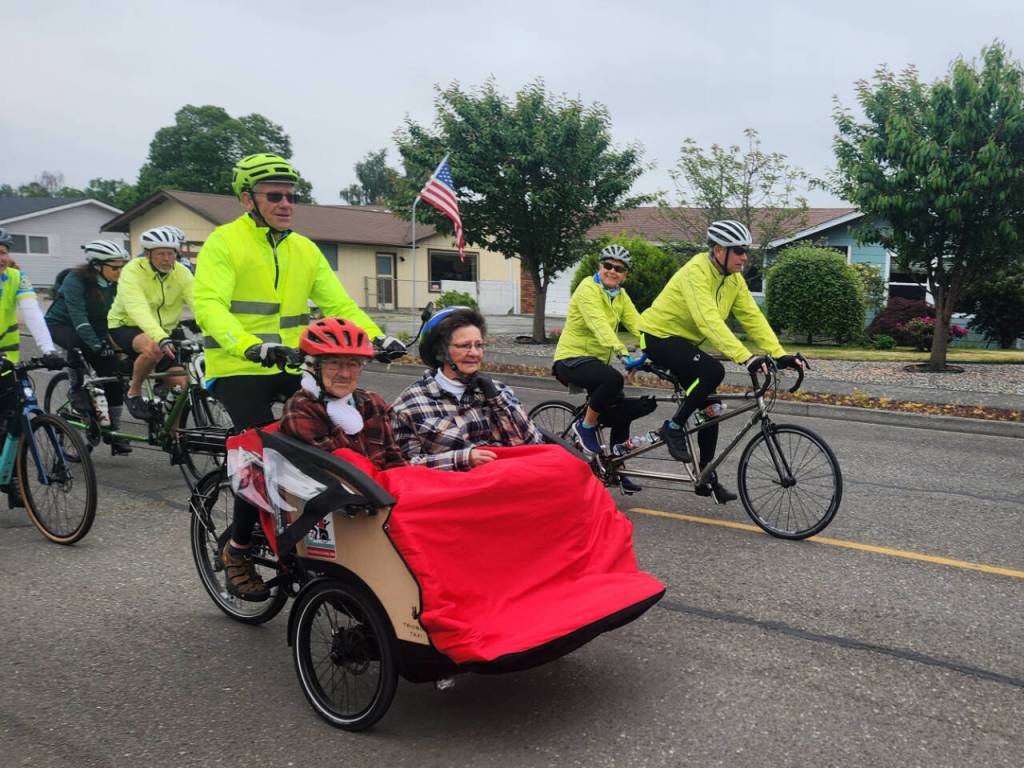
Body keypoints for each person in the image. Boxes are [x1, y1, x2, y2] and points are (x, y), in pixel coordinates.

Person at [194, 152, 405, 600]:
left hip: (291, 361)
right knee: (260, 449)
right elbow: (209, 304)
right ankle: (238, 548)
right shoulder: (223, 243)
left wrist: (377, 337)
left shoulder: (304, 248)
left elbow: (340, 305)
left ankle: (324, 535)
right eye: (275, 196)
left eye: (291, 196)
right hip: (239, 365)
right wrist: (247, 344)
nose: (286, 203)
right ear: (248, 198)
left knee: (330, 438)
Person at [639, 219, 805, 503]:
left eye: (746, 251)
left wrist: (778, 353)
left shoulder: (733, 281)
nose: (744, 257)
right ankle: (673, 428)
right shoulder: (696, 272)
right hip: (658, 337)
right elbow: (708, 321)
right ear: (718, 251)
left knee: (711, 407)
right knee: (713, 370)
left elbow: (752, 318)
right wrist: (745, 357)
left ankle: (705, 475)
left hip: (684, 343)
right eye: (738, 250)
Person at [553, 244, 654, 492]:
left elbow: (638, 324)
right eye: (607, 265)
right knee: (612, 380)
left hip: (595, 363)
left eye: (618, 269)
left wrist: (654, 348)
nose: (612, 271)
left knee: (622, 412)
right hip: (570, 360)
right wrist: (623, 354)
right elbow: (600, 327)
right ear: (600, 266)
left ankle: (616, 471)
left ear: (625, 274)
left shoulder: (620, 296)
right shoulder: (588, 289)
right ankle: (585, 426)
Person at [391, 306, 543, 470]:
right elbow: (403, 466)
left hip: (507, 481)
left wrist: (497, 399)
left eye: (478, 345)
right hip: (454, 490)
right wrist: (463, 459)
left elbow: (534, 443)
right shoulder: (409, 405)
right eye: (464, 346)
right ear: (440, 352)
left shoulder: (498, 391)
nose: (475, 353)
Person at [279, 317, 406, 470]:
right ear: (311, 367)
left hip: (382, 490)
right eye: (334, 364)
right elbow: (331, 471)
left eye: (353, 365)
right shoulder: (301, 408)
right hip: (340, 490)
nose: (345, 374)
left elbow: (395, 459)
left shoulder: (373, 402)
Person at [44, 239, 132, 454]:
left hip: (98, 327)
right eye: (115, 267)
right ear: (96, 266)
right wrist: (95, 344)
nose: (120, 271)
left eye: (122, 266)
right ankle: (76, 391)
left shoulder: (118, 283)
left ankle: (114, 431)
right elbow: (78, 316)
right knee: (78, 346)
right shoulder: (76, 280)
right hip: (62, 324)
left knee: (113, 376)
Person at [0, 229, 65, 507]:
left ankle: (12, 475)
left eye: (4, 250)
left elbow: (32, 312)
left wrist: (48, 350)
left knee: (17, 414)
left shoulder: (16, 277)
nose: (2, 256)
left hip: (7, 359)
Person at [107, 226, 194, 419]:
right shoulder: (132, 271)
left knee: (182, 387)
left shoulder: (182, 273)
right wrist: (161, 337)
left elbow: (198, 302)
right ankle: (134, 391)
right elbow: (137, 309)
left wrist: (215, 330)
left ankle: (173, 435)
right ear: (147, 254)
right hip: (126, 324)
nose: (166, 259)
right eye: (160, 254)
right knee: (153, 348)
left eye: (171, 253)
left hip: (162, 332)